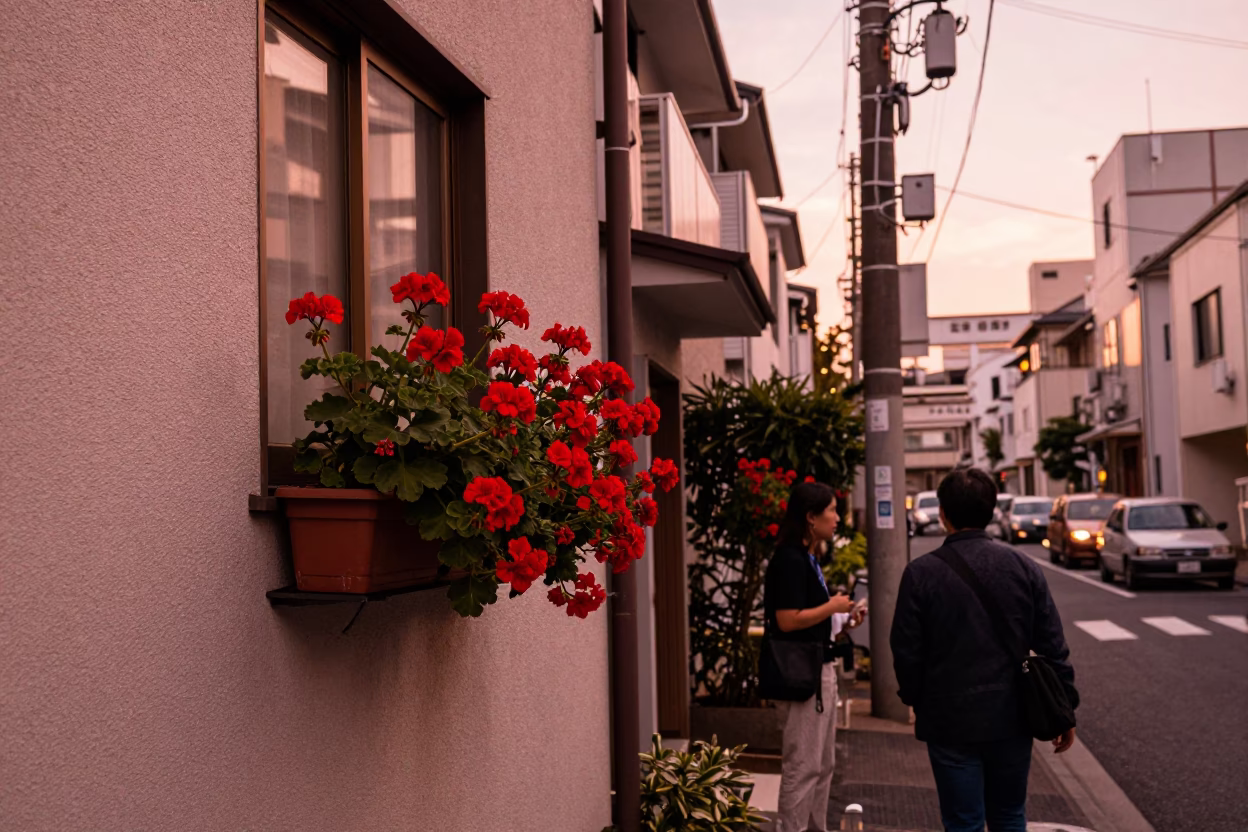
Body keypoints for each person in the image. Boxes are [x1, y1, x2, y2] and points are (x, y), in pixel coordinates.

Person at [890, 469, 1078, 832]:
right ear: (992, 511)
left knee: (963, 822)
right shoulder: (1023, 567)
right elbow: (1053, 643)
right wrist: (1064, 707)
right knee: (1009, 816)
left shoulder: (921, 574)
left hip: (948, 717)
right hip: (1012, 715)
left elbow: (906, 650)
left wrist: (915, 698)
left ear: (942, 513)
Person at [764, 481, 865, 832]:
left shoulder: (807, 557)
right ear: (810, 517)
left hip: (818, 669)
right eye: (832, 511)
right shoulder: (790, 560)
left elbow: (810, 623)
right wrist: (832, 606)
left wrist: (842, 620)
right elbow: (787, 620)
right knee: (803, 767)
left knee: (822, 766)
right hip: (803, 677)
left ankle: (814, 827)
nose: (837, 518)